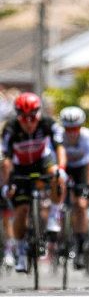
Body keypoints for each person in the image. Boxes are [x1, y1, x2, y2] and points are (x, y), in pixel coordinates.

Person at [0, 93, 67, 273]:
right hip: (20, 167)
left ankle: (54, 215)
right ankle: (21, 252)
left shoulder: (48, 124)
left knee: (58, 175)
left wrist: (61, 168)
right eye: (24, 118)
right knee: (21, 211)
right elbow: (5, 159)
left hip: (42, 161)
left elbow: (60, 147)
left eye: (33, 117)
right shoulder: (10, 128)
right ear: (17, 115)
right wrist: (6, 184)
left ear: (38, 114)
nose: (29, 122)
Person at [59, 106, 89, 270]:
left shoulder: (88, 137)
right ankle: (61, 236)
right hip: (65, 167)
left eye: (75, 128)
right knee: (61, 202)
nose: (71, 132)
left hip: (82, 170)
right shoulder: (58, 136)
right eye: (68, 128)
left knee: (81, 204)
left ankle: (81, 244)